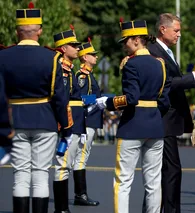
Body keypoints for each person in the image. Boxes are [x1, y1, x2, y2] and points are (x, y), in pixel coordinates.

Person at [0, 2, 73, 212]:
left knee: (20, 174)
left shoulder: (3, 56)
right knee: (41, 173)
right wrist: (65, 127)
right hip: (45, 120)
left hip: (15, 122)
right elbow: (60, 98)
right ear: (39, 31)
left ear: (17, 31)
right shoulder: (52, 58)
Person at [95, 19, 170, 213]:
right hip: (154, 126)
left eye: (126, 41)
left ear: (137, 40)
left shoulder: (131, 64)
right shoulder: (159, 64)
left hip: (132, 126)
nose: (124, 45)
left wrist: (107, 103)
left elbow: (132, 98)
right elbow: (163, 100)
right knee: (153, 181)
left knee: (123, 180)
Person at [147, 13, 195, 213]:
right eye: (176, 30)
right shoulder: (154, 51)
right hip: (162, 119)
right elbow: (164, 84)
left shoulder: (165, 51)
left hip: (169, 120)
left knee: (167, 170)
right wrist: (193, 75)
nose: (179, 35)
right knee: (171, 170)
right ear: (162, 29)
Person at [52, 26, 83, 213]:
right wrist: (65, 127)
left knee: (66, 165)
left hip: (75, 124)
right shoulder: (62, 70)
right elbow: (62, 100)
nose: (78, 48)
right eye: (74, 45)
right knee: (62, 165)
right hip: (66, 124)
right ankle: (61, 209)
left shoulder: (69, 70)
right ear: (63, 48)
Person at [72, 37, 101, 206]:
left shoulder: (89, 75)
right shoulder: (82, 76)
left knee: (83, 157)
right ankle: (80, 195)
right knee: (81, 158)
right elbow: (80, 99)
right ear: (84, 57)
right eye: (92, 54)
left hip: (91, 120)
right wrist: (100, 99)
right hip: (86, 121)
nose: (95, 57)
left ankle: (80, 194)